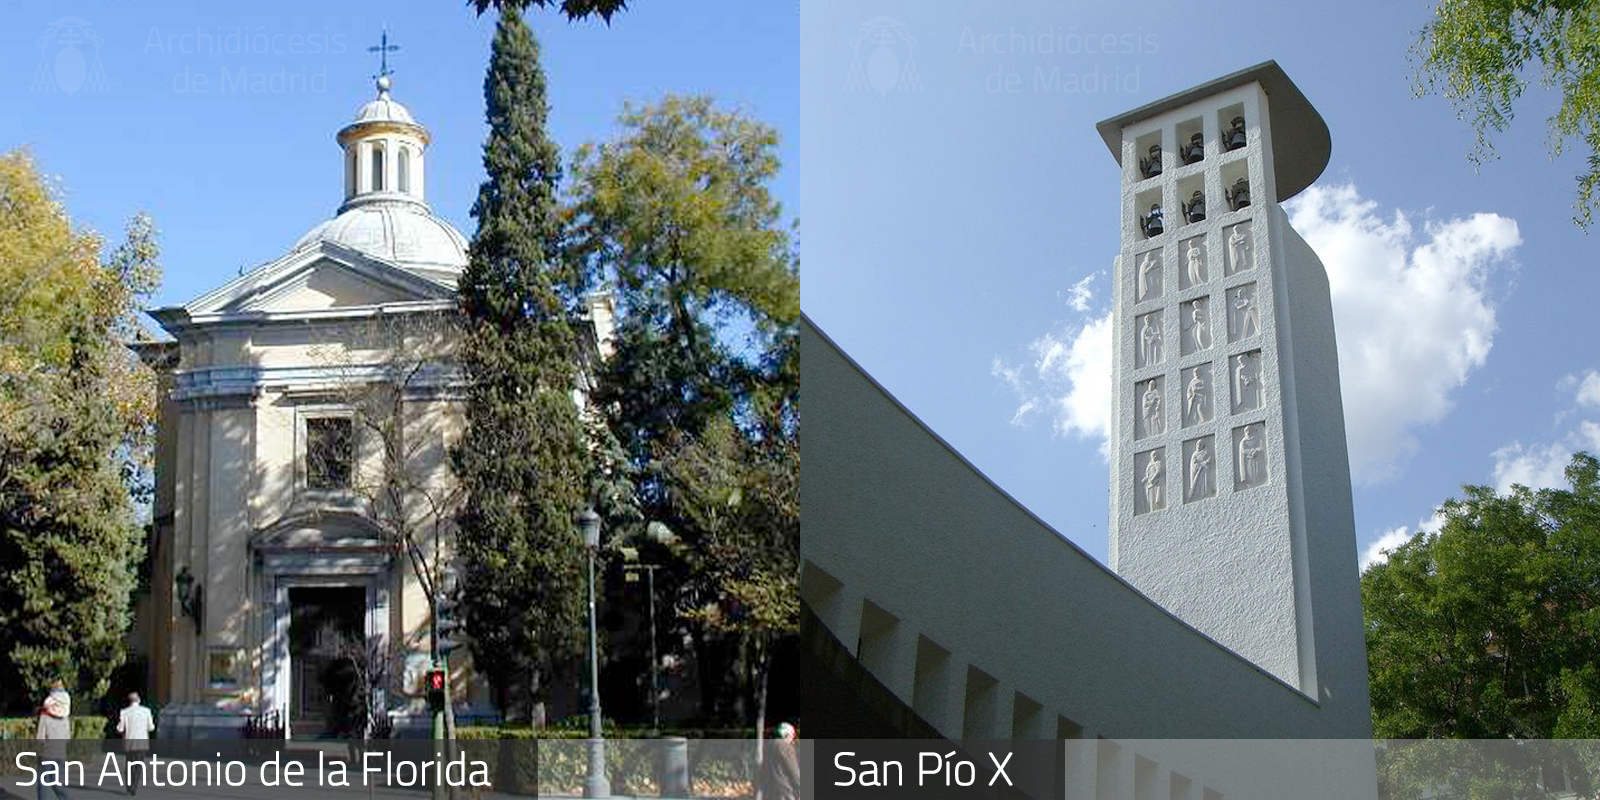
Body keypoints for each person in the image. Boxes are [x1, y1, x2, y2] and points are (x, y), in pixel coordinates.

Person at [35, 681, 72, 800]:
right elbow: (67, 738)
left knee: (43, 784)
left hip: (46, 754)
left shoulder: (45, 716)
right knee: (56, 783)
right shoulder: (66, 718)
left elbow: (40, 738)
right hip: (61, 753)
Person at [117, 692, 155, 796]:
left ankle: (129, 787)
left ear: (130, 701)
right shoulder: (146, 711)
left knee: (129, 764)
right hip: (142, 742)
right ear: (138, 700)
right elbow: (151, 727)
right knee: (138, 765)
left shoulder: (124, 712)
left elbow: (120, 728)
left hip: (129, 742)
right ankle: (134, 787)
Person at [759, 722, 800, 800]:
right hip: (784, 792)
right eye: (792, 737)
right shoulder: (785, 746)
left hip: (769, 790)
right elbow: (793, 771)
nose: (792, 740)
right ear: (786, 735)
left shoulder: (768, 745)